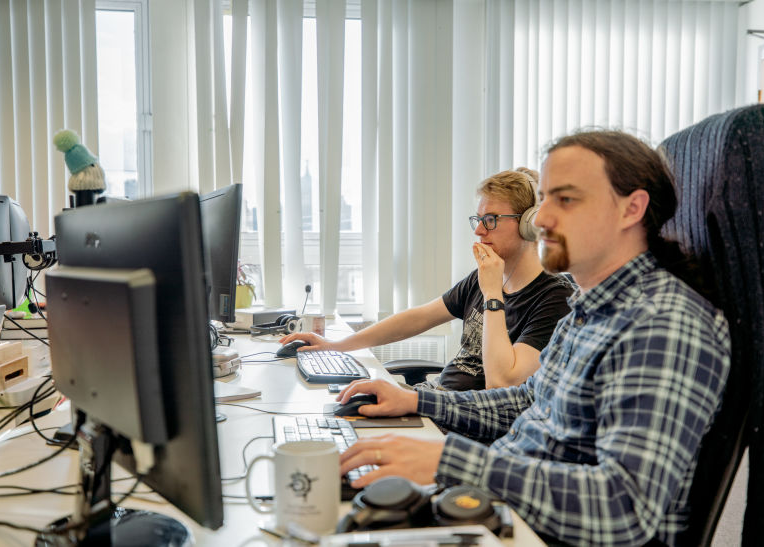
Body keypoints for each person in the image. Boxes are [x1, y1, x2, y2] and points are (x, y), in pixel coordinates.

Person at [335, 131, 731, 546]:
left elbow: (623, 506)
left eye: (566, 199)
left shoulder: (661, 325)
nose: (540, 219)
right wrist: (417, 401)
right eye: (543, 200)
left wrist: (450, 460)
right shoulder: (589, 309)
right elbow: (528, 400)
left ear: (631, 209)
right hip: (508, 511)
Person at [281, 168, 572, 390]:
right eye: (478, 219)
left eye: (492, 220)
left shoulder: (555, 298)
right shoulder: (481, 279)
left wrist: (493, 294)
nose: (479, 231)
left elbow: (502, 383)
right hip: (437, 400)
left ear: (528, 225)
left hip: (469, 425)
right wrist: (335, 345)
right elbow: (417, 318)